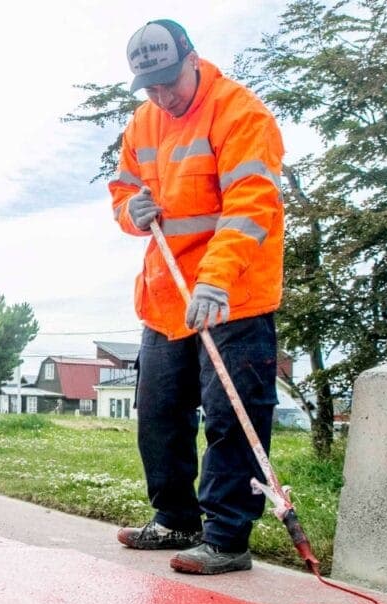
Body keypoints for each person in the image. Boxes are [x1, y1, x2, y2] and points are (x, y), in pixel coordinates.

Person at [108, 19, 286, 575]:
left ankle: (228, 536)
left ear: (192, 57)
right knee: (159, 413)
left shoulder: (239, 112)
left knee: (233, 416)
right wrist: (130, 213)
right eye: (151, 87)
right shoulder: (142, 123)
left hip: (232, 294)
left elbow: (252, 204)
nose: (163, 96)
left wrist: (214, 280)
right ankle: (175, 519)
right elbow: (123, 188)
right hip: (165, 297)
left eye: (170, 82)